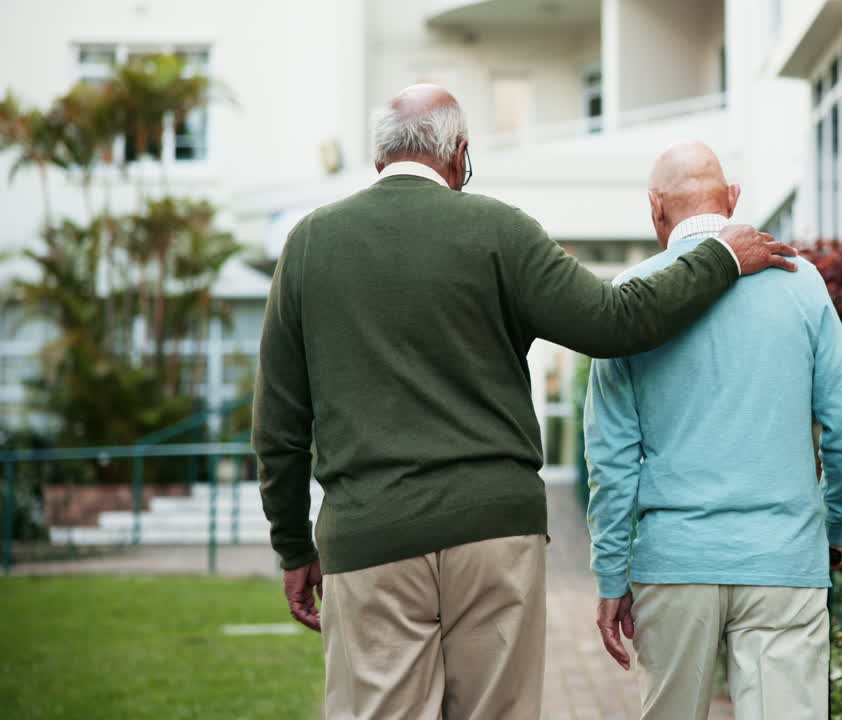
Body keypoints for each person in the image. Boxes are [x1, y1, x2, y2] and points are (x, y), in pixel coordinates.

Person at [252, 86, 797, 720]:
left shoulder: (310, 244)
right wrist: (721, 257)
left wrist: (294, 548)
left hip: (371, 537)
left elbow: (280, 426)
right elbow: (614, 322)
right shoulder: (499, 231)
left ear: (381, 159)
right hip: (494, 532)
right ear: (459, 154)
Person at [584, 141, 842, 720]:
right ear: (734, 199)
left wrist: (612, 573)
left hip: (675, 563)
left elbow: (612, 463)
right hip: (784, 561)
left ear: (654, 207)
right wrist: (833, 524)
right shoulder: (800, 282)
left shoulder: (628, 299)